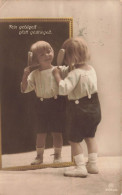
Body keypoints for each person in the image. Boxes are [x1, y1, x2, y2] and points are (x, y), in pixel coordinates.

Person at [53, 37, 101, 177]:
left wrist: (57, 76)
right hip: (94, 109)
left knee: (73, 140)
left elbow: (64, 89)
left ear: (70, 57)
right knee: (90, 137)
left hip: (79, 111)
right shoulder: (91, 69)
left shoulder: (74, 74)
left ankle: (80, 168)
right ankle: (92, 165)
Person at [21, 40, 66, 165]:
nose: (47, 55)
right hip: (41, 105)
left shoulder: (59, 69)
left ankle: (57, 156)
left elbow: (69, 78)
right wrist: (25, 74)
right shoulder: (34, 74)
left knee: (57, 131)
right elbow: (24, 89)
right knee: (41, 132)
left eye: (49, 51)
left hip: (56, 103)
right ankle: (39, 157)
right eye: (42, 54)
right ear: (35, 59)